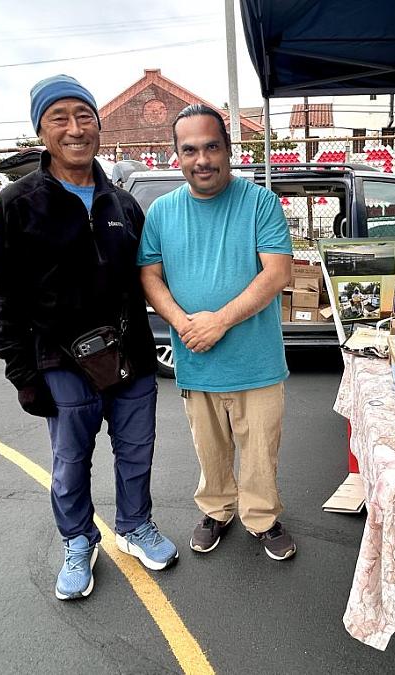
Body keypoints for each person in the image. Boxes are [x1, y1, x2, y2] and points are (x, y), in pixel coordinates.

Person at [0, 75, 177, 600]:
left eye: (84, 115)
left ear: (97, 124)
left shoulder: (122, 203)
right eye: (60, 118)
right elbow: (4, 297)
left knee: (137, 451)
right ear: (41, 131)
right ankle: (78, 540)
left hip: (131, 356)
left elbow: (152, 277)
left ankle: (135, 526)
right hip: (60, 362)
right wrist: (23, 374)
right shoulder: (17, 204)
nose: (75, 128)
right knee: (70, 463)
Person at [139, 104, 296, 561]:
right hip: (195, 357)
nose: (202, 159)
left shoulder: (259, 203)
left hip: (256, 359)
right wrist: (183, 322)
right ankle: (217, 511)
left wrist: (219, 320)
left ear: (228, 150)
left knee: (261, 450)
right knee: (209, 449)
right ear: (177, 156)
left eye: (211, 147)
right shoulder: (163, 213)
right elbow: (149, 276)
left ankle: (263, 517)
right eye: (190, 150)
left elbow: (277, 274)